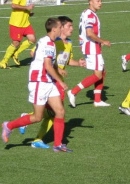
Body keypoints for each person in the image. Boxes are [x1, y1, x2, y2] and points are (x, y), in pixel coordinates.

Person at [1, 18, 73, 152]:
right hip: (39, 82)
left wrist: (58, 70)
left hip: (48, 81)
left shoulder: (51, 42)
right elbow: (47, 66)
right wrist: (61, 81)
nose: (62, 29)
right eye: (60, 27)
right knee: (37, 117)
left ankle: (58, 145)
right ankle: (9, 125)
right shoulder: (47, 44)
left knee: (60, 111)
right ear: (54, 29)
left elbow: (50, 64)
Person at [23, 16, 86, 149]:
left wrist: (79, 64)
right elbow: (33, 53)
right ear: (60, 28)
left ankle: (32, 128)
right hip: (49, 81)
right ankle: (38, 136)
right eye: (69, 26)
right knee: (54, 113)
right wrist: (53, 67)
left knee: (52, 113)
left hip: (56, 81)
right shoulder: (52, 42)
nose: (72, 29)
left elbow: (67, 61)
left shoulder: (68, 43)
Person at [67, 0, 112, 108]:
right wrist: (103, 41)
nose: (100, 3)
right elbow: (89, 33)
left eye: (101, 1)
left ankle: (97, 100)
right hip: (91, 47)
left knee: (102, 71)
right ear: (90, 2)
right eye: (98, 1)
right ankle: (73, 91)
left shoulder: (86, 13)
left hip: (90, 46)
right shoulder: (91, 15)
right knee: (98, 75)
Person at [0, 0, 36, 69]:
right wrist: (27, 7)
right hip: (16, 23)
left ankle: (16, 54)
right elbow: (13, 5)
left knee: (32, 39)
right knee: (16, 43)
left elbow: (25, 6)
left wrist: (28, 12)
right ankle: (4, 61)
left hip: (25, 21)